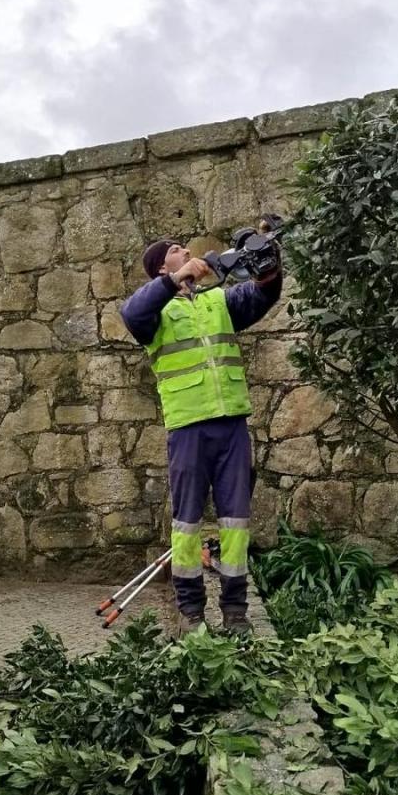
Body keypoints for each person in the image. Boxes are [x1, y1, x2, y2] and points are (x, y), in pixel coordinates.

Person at [119, 223, 282, 634]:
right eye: (176, 250)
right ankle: (191, 611)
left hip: (231, 426)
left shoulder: (217, 301)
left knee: (236, 521)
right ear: (162, 269)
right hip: (188, 430)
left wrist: (268, 266)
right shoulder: (155, 313)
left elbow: (262, 294)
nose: (186, 250)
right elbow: (131, 312)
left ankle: (235, 611)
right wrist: (177, 279)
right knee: (187, 523)